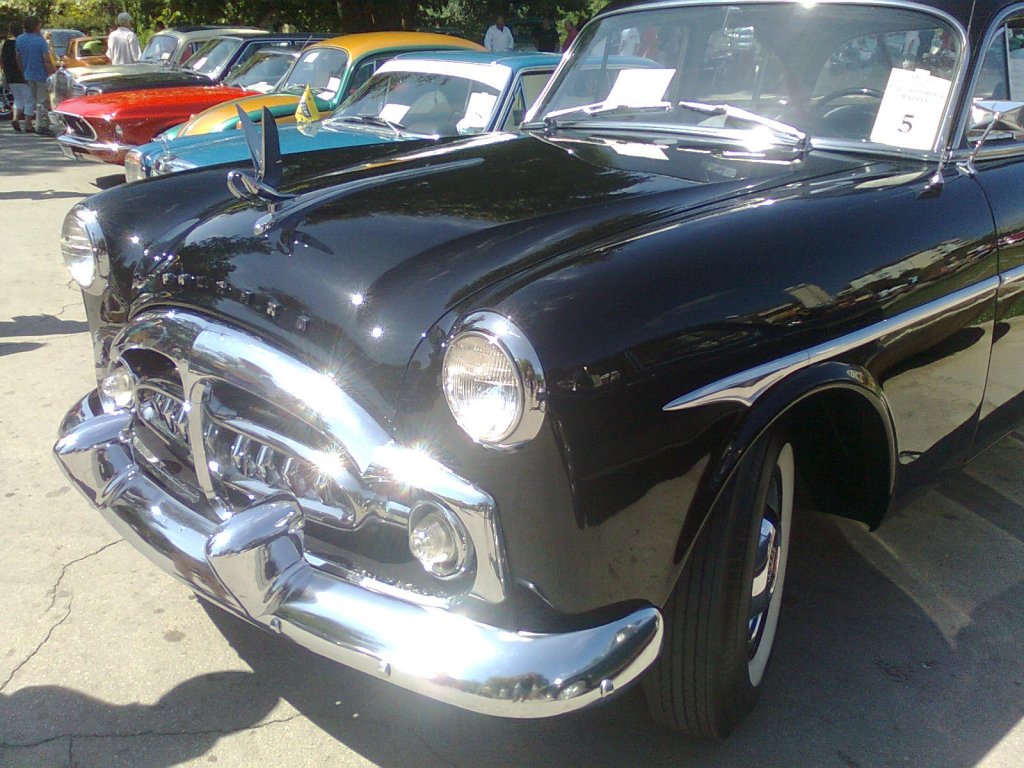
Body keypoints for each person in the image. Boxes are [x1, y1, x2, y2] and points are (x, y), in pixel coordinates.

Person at [15, 15, 54, 134]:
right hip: (41, 74)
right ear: (36, 26)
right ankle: (42, 126)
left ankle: (29, 124)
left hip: (27, 74)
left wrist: (23, 71)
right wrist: (51, 73)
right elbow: (46, 59)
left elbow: (18, 58)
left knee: (31, 101)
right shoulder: (40, 41)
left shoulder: (20, 39)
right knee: (43, 102)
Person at [2, 22, 28, 132]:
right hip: (22, 74)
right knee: (28, 99)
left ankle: (15, 117)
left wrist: (5, 72)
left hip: (10, 75)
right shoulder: (22, 42)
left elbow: (2, 60)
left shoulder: (6, 43)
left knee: (18, 98)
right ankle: (28, 124)